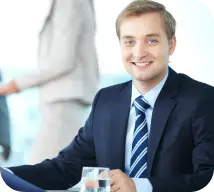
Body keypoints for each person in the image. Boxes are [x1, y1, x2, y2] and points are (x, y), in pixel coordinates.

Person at [3, 0, 214, 191]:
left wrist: (139, 187)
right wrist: (5, 177)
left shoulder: (202, 100)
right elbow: (66, 168)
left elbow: (209, 179)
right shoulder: (107, 101)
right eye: (129, 41)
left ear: (171, 44)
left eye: (151, 41)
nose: (139, 52)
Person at [0, 0, 99, 164]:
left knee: (39, 172)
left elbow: (62, 61)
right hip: (69, 97)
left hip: (63, 98)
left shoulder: (69, 3)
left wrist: (16, 84)